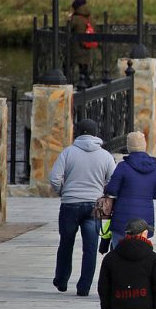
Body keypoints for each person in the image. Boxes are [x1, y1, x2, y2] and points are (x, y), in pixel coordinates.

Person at [50, 119, 116, 296]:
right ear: (95, 133)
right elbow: (112, 182)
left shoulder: (68, 152)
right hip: (94, 205)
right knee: (90, 247)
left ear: (78, 132)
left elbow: (54, 177)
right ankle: (84, 286)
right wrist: (102, 194)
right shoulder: (106, 156)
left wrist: (63, 192)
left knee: (66, 242)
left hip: (70, 204)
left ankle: (62, 280)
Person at [105, 131, 156, 245]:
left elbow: (112, 190)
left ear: (128, 146)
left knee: (119, 252)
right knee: (141, 251)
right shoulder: (154, 168)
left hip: (123, 218)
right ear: (144, 145)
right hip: (144, 220)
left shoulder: (123, 167)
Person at [67, 0, 96, 83]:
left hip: (76, 49)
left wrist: (68, 20)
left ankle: (68, 84)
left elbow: (67, 30)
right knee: (84, 70)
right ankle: (86, 86)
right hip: (87, 47)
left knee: (67, 67)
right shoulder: (90, 18)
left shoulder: (75, 18)